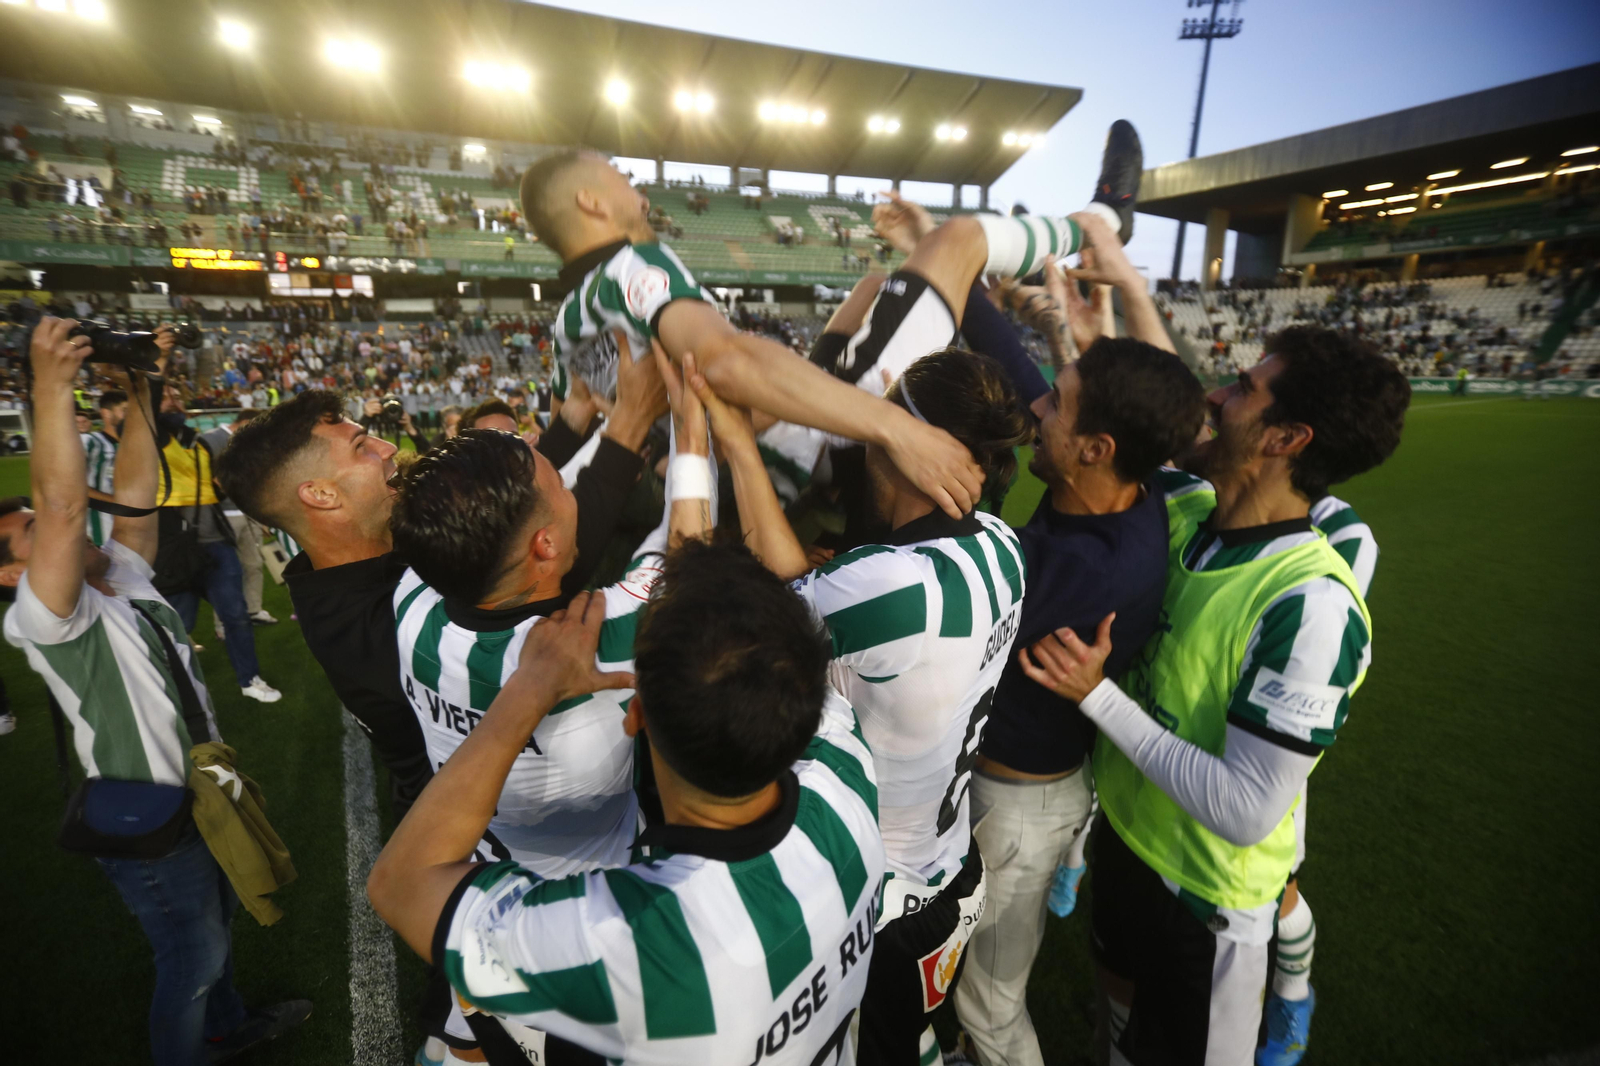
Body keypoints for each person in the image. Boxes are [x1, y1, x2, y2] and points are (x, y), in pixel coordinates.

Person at [1016, 324, 1409, 1065]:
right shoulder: (1190, 511)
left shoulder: (1311, 606)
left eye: (1244, 390)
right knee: (1120, 1037)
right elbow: (1090, 414)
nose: (1218, 396)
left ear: (1285, 437)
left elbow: (1246, 808)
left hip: (1204, 902)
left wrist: (1097, 697)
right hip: (1130, 844)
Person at [367, 540, 885, 1066]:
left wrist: (529, 688)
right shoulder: (848, 778)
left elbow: (400, 884)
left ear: (634, 717)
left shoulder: (629, 939)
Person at [695, 348, 1033, 1066]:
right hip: (947, 869)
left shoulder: (889, 588)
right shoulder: (1002, 545)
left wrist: (731, 446)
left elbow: (767, 605)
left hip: (878, 900)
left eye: (887, 413)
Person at [0, 319, 309, 1066]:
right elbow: (69, 506)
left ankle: (228, 1028)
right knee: (192, 959)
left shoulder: (120, 576)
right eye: (27, 534)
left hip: (195, 793)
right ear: (13, 575)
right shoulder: (47, 616)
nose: (51, 527)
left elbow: (137, 494)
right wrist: (50, 387)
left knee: (219, 931)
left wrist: (143, 386)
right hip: (152, 815)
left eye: (40, 520)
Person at [382, 342, 690, 1061]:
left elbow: (520, 528)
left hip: (476, 878)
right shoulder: (601, 635)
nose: (572, 485)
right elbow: (679, 545)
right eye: (561, 481)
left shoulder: (413, 601)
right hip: (585, 912)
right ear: (547, 545)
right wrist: (693, 430)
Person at [517, 149, 982, 520]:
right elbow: (727, 363)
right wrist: (899, 429)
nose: (639, 192)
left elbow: (568, 431)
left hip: (735, 466)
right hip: (809, 446)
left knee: (871, 286)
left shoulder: (567, 327)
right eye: (622, 179)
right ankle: (1057, 236)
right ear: (591, 201)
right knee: (958, 238)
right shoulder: (633, 266)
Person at [155, 390, 281, 703]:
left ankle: (249, 678)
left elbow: (213, 488)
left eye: (178, 397)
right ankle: (167, 687)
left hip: (215, 542)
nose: (176, 401)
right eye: (166, 398)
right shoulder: (147, 443)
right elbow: (148, 415)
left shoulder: (194, 443)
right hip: (174, 547)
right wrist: (154, 376)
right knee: (177, 623)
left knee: (236, 615)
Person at [201, 409, 277, 627]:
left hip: (248, 513)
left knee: (253, 565)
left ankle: (254, 610)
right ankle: (222, 623)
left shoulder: (248, 443)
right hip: (222, 514)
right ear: (246, 422)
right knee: (226, 572)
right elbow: (205, 477)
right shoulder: (210, 439)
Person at [83, 387, 126, 547]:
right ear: (106, 413)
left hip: (133, 532)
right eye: (124, 410)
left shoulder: (135, 446)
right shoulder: (90, 442)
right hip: (99, 535)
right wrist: (118, 502)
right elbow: (70, 485)